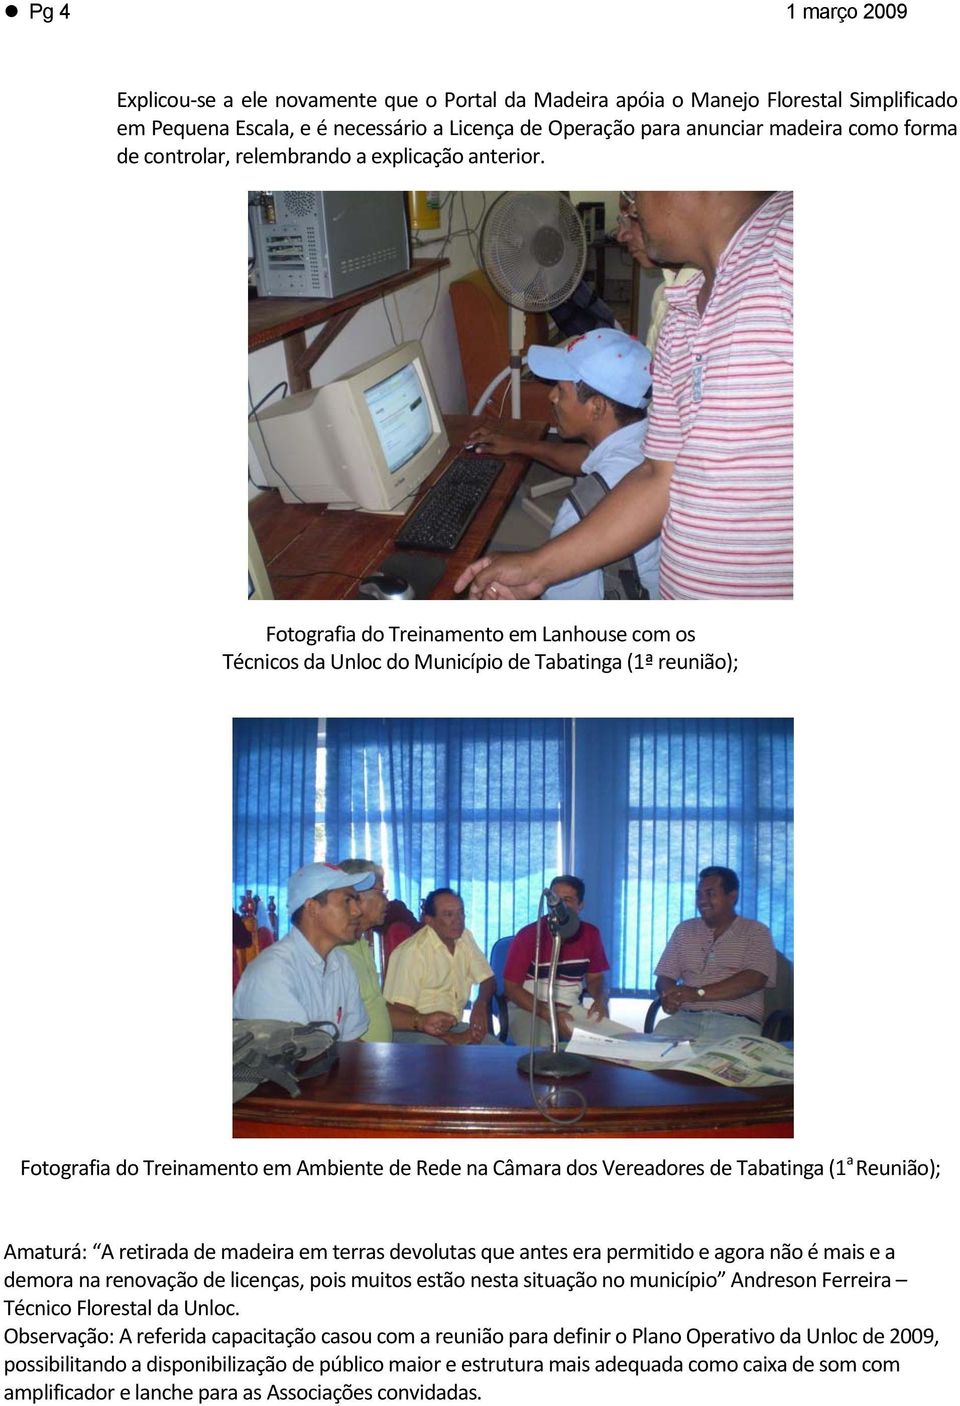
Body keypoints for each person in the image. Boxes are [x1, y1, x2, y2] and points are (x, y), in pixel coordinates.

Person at [455, 191, 793, 602]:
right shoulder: (680, 317)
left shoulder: (788, 245)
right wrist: (537, 567)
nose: (627, 221)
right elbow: (658, 478)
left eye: (633, 196)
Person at [525, 331, 659, 599]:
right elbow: (585, 459)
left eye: (561, 390)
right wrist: (520, 446)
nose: (552, 396)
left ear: (596, 408)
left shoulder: (585, 510)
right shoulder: (654, 445)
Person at [232, 863, 373, 1040]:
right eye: (347, 901)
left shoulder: (340, 961)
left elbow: (352, 1042)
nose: (357, 911)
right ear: (312, 908)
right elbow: (298, 1059)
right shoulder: (273, 972)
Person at [653, 866, 777, 1041]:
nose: (702, 901)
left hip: (734, 1022)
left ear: (732, 896)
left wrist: (698, 993)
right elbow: (665, 976)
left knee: (712, 1068)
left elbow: (754, 979)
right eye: (699, 894)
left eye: (710, 894)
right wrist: (668, 996)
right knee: (647, 1059)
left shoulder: (756, 932)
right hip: (684, 1019)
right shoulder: (684, 930)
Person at [503, 876, 629, 1045]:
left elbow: (595, 978)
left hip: (570, 1010)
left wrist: (600, 999)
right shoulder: (529, 935)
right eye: (555, 900)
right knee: (542, 1051)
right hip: (529, 1007)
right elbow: (511, 988)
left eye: (567, 900)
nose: (559, 906)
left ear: (580, 906)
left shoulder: (591, 934)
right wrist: (550, 1014)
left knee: (606, 1047)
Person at [382, 888, 498, 1045]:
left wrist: (480, 1004)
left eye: (461, 913)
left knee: (500, 1055)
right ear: (429, 921)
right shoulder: (413, 952)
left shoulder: (464, 937)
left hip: (452, 1027)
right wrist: (451, 1038)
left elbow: (487, 978)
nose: (458, 920)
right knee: (446, 1061)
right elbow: (400, 1012)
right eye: (448, 915)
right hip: (413, 1031)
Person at [337, 859, 393, 1042]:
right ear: (355, 896)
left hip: (377, 1057)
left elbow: (375, 1007)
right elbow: (336, 1031)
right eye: (381, 892)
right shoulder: (335, 951)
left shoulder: (360, 942)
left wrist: (420, 1021)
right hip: (359, 1062)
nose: (387, 901)